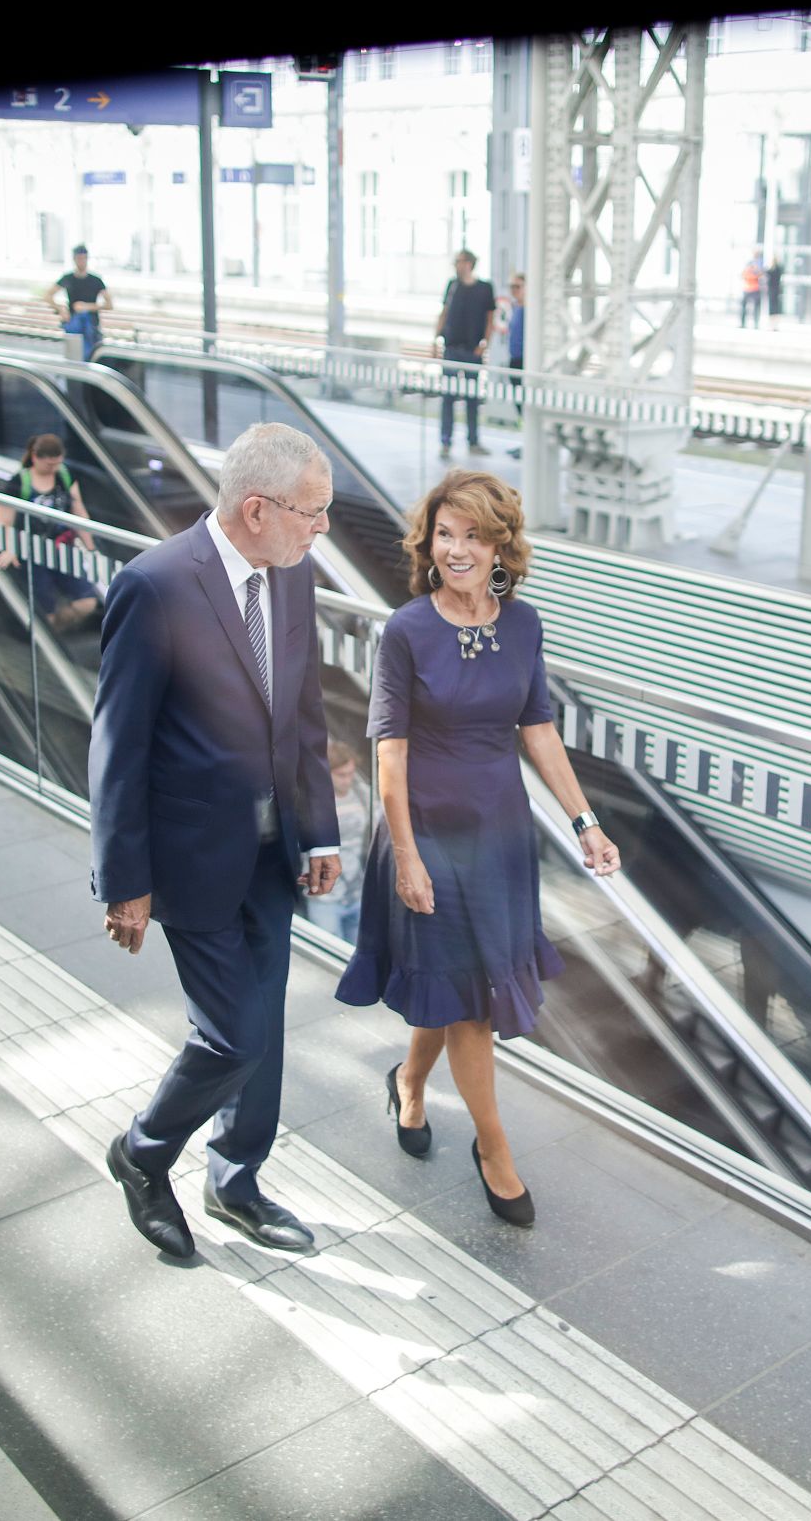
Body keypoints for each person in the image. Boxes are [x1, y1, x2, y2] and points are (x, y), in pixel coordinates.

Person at [335, 469, 620, 1227]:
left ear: (500, 545)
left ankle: (410, 1083)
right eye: (444, 533)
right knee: (474, 1009)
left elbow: (539, 730)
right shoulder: (406, 631)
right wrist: (406, 854)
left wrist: (585, 821)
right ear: (427, 542)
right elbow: (387, 755)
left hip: (499, 837)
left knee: (457, 988)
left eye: (473, 535)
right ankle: (494, 1149)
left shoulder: (522, 625)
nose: (456, 548)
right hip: (425, 832)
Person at [90, 422, 342, 1259]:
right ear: (258, 507)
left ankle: (236, 1176)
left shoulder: (291, 577)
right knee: (230, 1032)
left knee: (262, 1022)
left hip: (274, 856)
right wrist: (123, 877)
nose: (323, 528)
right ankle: (143, 1152)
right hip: (190, 859)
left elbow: (304, 717)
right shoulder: (156, 585)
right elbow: (118, 742)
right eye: (313, 512)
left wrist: (320, 833)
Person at [0, 432, 104, 631]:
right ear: (35, 458)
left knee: (87, 603)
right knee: (45, 613)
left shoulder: (64, 476)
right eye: (49, 465)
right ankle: (48, 634)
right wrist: (10, 549)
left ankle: (54, 634)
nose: (53, 468)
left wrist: (90, 547)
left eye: (57, 463)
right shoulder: (19, 483)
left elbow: (78, 513)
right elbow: (2, 520)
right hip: (31, 551)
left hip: (61, 547)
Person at [305, 738, 372, 945]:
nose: (347, 780)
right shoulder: (312, 802)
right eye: (341, 775)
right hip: (325, 897)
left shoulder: (362, 793)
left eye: (351, 774)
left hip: (356, 891)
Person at [432, 250, 496, 456]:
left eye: (459, 262)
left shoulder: (485, 288)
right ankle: (445, 441)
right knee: (448, 396)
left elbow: (490, 319)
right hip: (451, 348)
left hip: (472, 351)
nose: (457, 266)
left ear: (469, 264)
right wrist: (435, 339)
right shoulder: (453, 286)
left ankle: (473, 441)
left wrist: (484, 345)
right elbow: (444, 312)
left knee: (472, 398)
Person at [44, 245, 111, 361]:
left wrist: (87, 306)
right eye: (79, 258)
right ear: (74, 259)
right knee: (74, 357)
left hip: (91, 325)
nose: (82, 262)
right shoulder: (68, 278)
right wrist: (61, 309)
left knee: (91, 357)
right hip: (73, 324)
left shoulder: (96, 280)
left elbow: (109, 304)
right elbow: (48, 295)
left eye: (84, 258)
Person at [504, 272, 525, 460]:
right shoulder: (515, 308)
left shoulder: (530, 311)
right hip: (514, 360)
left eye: (517, 287)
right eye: (512, 287)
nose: (514, 291)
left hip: (525, 363)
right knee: (519, 404)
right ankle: (525, 441)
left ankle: (529, 443)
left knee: (526, 405)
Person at [740, 251, 763, 327]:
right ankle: (743, 324)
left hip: (754, 289)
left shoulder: (759, 264)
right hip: (748, 289)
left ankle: (756, 324)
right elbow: (743, 275)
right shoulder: (749, 265)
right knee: (744, 308)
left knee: (756, 308)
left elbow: (760, 275)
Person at [766, 255, 784, 329]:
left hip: (772, 291)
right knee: (776, 308)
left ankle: (772, 325)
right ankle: (775, 325)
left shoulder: (770, 270)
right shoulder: (779, 269)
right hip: (777, 290)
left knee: (772, 308)